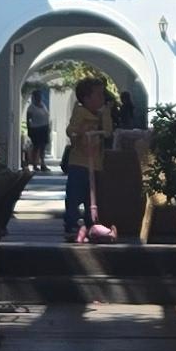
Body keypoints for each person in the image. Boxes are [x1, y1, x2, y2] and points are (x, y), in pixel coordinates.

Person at [61, 75, 115, 242]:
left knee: (92, 195)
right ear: (86, 98)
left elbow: (108, 131)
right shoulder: (80, 112)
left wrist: (105, 114)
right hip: (79, 162)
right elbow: (71, 129)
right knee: (75, 194)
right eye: (98, 95)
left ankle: (92, 222)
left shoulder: (101, 113)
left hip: (95, 162)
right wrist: (77, 133)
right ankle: (71, 223)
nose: (102, 98)